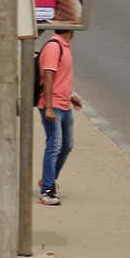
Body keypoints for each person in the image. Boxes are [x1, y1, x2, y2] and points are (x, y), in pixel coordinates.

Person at [37, 29, 81, 206]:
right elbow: (48, 76)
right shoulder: (54, 46)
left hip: (64, 104)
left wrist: (71, 96)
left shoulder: (65, 46)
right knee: (54, 145)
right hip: (52, 105)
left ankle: (49, 178)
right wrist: (48, 107)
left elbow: (60, 78)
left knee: (67, 145)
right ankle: (46, 190)